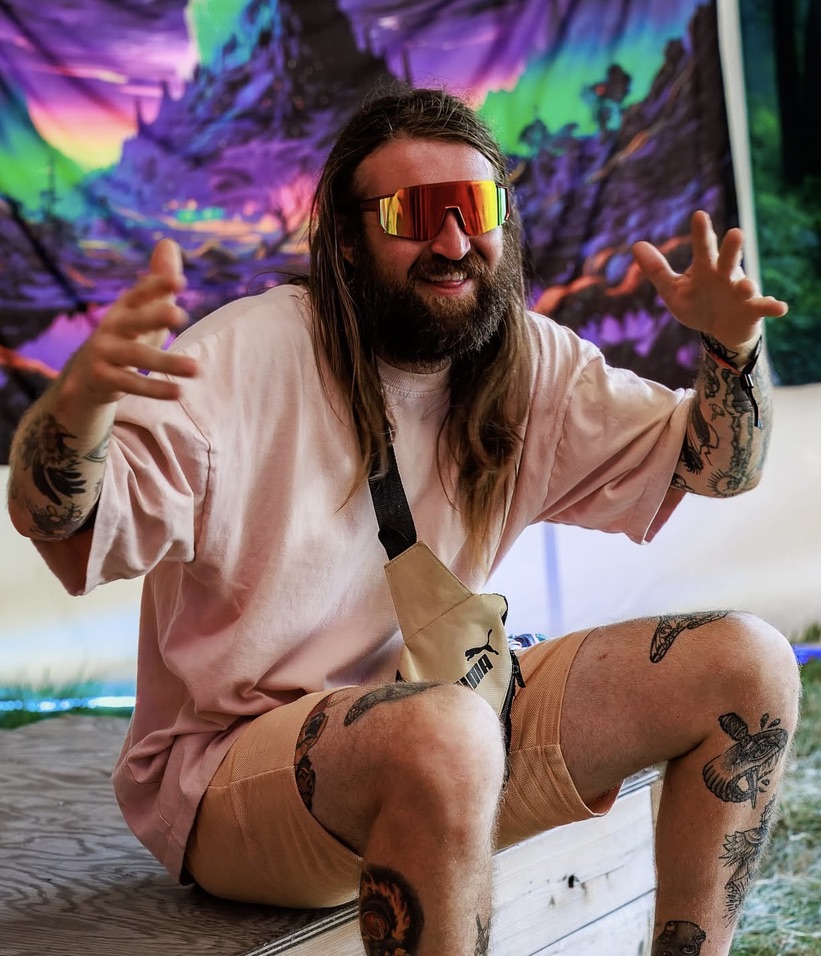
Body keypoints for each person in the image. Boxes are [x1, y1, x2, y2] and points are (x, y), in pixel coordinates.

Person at [7, 86, 801, 956]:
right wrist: (73, 413)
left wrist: (732, 349)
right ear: (346, 240)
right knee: (443, 730)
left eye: (475, 208)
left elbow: (715, 467)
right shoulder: (236, 361)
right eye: (415, 216)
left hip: (449, 720)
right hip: (233, 773)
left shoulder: (525, 360)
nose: (453, 242)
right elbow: (66, 530)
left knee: (746, 663)